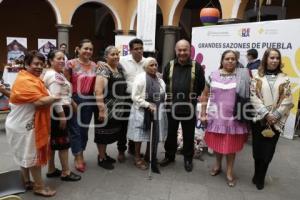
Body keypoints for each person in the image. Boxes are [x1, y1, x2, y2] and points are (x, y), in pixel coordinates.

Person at [5, 50, 60, 197]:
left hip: (20, 123)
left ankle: (26, 181)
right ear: (27, 64)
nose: (39, 67)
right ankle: (39, 187)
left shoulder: (31, 79)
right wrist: (55, 97)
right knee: (33, 157)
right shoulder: (25, 81)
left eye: (41, 64)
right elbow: (39, 102)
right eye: (36, 63)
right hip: (24, 125)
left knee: (25, 155)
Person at [200, 50, 250, 187]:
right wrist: (203, 113)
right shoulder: (212, 75)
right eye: (227, 58)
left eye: (233, 59)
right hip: (216, 117)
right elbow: (205, 95)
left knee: (231, 146)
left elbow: (249, 96)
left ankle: (229, 171)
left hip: (234, 118)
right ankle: (217, 165)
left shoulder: (243, 76)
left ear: (236, 61)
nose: (230, 61)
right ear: (222, 60)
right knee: (217, 143)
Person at [250, 48, 293, 190]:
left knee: (268, 151)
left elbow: (288, 100)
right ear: (266, 59)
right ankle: (256, 174)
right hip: (259, 119)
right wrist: (265, 113)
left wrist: (275, 115)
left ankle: (261, 177)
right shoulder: (256, 76)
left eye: (277, 58)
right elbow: (253, 96)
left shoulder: (285, 78)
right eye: (271, 58)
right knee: (257, 149)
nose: (274, 61)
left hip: (275, 121)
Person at [160, 39, 205, 172]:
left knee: (189, 134)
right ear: (176, 51)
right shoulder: (169, 65)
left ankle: (188, 159)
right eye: (179, 50)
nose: (182, 52)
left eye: (185, 50)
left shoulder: (196, 66)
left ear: (189, 50)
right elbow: (164, 82)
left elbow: (201, 85)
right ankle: (169, 156)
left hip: (189, 108)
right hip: (171, 107)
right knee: (171, 133)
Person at [43, 50, 81, 182]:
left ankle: (51, 169)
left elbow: (62, 94)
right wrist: (62, 116)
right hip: (58, 112)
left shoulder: (55, 74)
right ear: (50, 61)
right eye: (58, 58)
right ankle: (65, 172)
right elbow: (55, 98)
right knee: (63, 143)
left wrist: (72, 102)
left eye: (63, 58)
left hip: (57, 111)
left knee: (53, 142)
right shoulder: (55, 76)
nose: (61, 61)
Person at [127, 57, 167, 173]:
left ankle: (149, 156)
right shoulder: (140, 78)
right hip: (142, 111)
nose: (154, 67)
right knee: (139, 135)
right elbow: (135, 96)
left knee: (153, 134)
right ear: (145, 67)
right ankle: (137, 158)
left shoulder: (160, 79)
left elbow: (163, 93)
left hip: (157, 111)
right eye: (151, 65)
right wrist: (147, 104)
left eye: (155, 65)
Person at [64, 39, 97, 172]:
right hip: (75, 98)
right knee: (75, 129)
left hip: (89, 99)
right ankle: (78, 156)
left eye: (90, 49)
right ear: (78, 49)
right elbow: (65, 84)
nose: (88, 51)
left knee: (84, 130)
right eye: (85, 48)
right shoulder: (70, 64)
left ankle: (81, 151)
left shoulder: (95, 65)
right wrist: (70, 100)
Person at [94, 46, 127, 170]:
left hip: (117, 108)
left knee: (109, 132)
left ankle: (105, 155)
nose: (116, 56)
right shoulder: (103, 70)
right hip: (106, 107)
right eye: (112, 54)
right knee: (102, 133)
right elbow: (98, 90)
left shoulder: (118, 68)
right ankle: (101, 157)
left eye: (117, 54)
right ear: (106, 57)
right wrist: (102, 110)